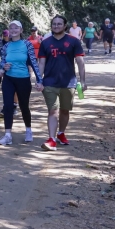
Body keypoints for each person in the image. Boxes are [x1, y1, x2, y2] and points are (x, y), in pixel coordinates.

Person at [37, 15, 87, 151]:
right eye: (54, 24)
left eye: (59, 24)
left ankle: (61, 133)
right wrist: (39, 80)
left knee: (65, 111)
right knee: (52, 111)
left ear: (65, 26)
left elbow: (80, 62)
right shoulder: (45, 43)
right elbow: (41, 63)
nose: (56, 26)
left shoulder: (74, 41)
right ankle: (51, 139)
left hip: (68, 82)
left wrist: (82, 81)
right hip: (49, 82)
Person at [0, 20, 44, 145]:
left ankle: (28, 130)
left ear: (21, 30)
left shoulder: (27, 44)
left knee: (24, 106)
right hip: (8, 79)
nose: (13, 30)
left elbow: (34, 62)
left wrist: (40, 80)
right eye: (11, 28)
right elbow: (2, 61)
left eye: (16, 28)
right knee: (7, 106)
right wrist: (2, 68)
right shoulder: (6, 46)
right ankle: (8, 135)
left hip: (23, 79)